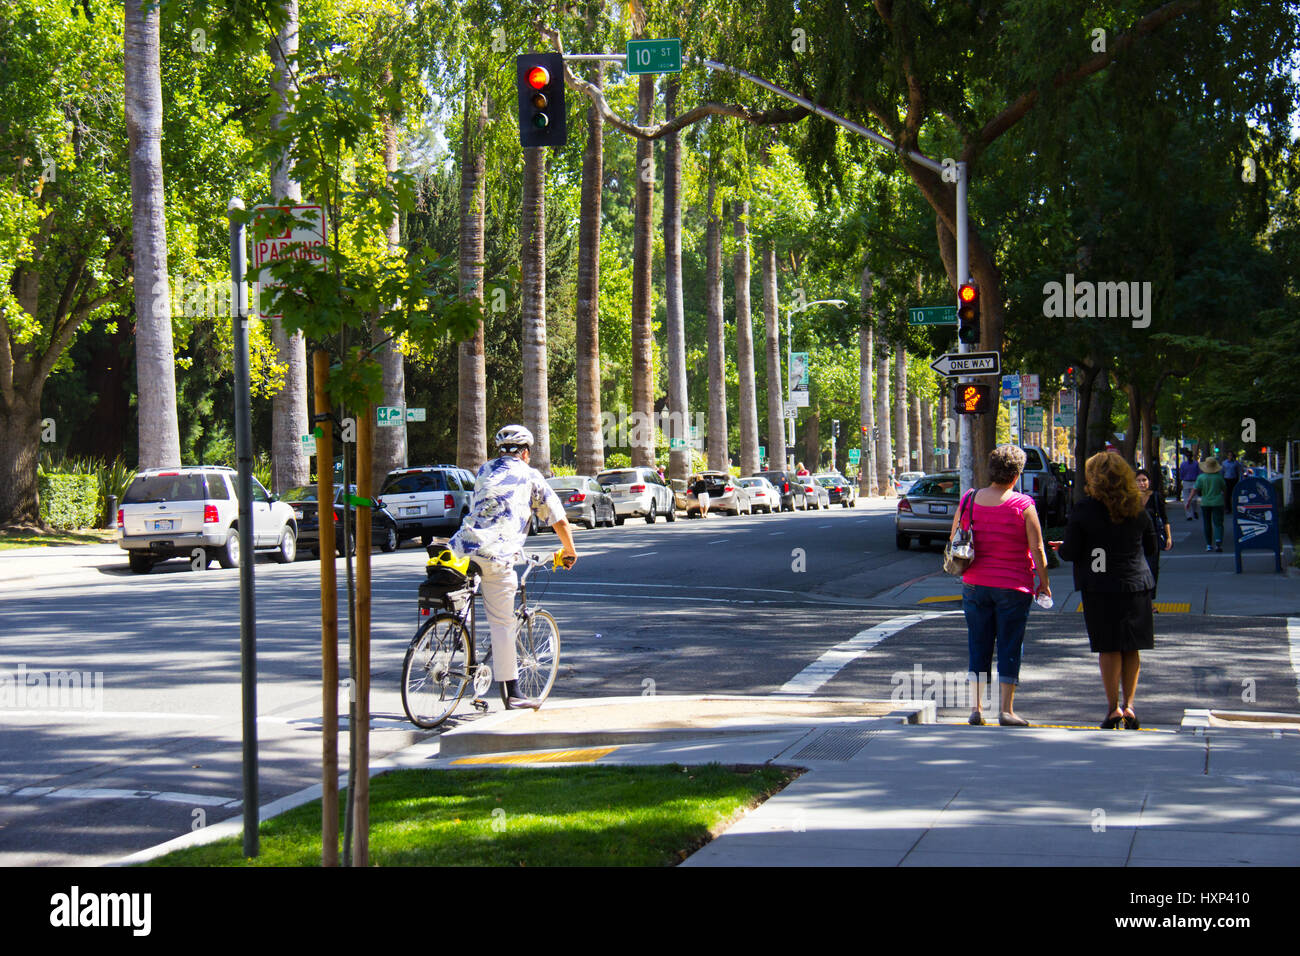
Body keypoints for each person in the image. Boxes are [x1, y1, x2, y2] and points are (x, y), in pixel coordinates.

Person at [449, 425, 578, 709]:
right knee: (502, 622)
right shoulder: (530, 475)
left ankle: (455, 628)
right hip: (497, 554)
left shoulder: (484, 470)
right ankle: (513, 693)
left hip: (461, 548)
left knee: (463, 594)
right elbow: (558, 518)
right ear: (526, 453)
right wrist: (569, 551)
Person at [948, 444, 1052, 727]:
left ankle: (976, 709)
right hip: (1013, 585)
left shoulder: (969, 499)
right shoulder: (1023, 505)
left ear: (990, 470)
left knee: (978, 644)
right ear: (1017, 475)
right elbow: (1038, 548)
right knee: (1009, 645)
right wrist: (1044, 582)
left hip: (974, 584)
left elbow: (954, 537)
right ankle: (1006, 710)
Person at [1059, 452, 1157, 730]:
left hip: (1100, 587)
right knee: (1131, 647)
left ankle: (1113, 707)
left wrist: (1064, 548)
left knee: (1109, 647)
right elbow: (1151, 547)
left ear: (1094, 478)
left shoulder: (1085, 509)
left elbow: (1071, 551)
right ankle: (1130, 705)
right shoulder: (1137, 508)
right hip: (1136, 584)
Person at [1135, 468, 1173, 598]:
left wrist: (1168, 537)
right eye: (1138, 481)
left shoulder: (1155, 497)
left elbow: (1164, 518)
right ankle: (1140, 598)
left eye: (1144, 480)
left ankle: (1150, 599)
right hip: (1136, 539)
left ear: (1149, 482)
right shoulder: (1131, 498)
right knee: (1137, 569)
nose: (1142, 483)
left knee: (1152, 568)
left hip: (1154, 537)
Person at [1194, 456, 1227, 552]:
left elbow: (1195, 489)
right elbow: (1224, 489)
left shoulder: (1201, 477)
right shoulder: (1219, 477)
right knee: (1218, 523)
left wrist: (1188, 501)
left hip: (1205, 502)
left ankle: (1208, 544)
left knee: (1207, 523)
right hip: (1218, 502)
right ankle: (1218, 542)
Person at [1178, 450, 1200, 521]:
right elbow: (1181, 474)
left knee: (1192, 499)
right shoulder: (1184, 464)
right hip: (1188, 482)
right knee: (1189, 499)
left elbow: (1198, 473)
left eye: (1189, 456)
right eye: (1188, 456)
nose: (1189, 457)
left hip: (1192, 482)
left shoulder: (1195, 464)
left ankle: (1193, 512)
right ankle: (1189, 514)